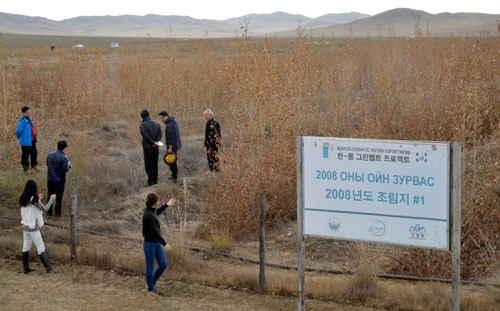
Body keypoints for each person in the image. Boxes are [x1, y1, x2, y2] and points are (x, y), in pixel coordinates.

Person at [19, 180, 57, 274]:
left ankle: (26, 269)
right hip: (32, 228)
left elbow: (32, 206)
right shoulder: (34, 199)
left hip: (25, 226)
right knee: (40, 247)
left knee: (26, 246)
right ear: (34, 188)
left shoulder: (23, 197)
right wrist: (51, 200)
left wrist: (38, 199)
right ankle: (49, 269)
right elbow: (45, 209)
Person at [142, 193, 176, 297]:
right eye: (158, 200)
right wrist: (164, 244)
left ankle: (151, 283)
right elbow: (154, 232)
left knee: (163, 264)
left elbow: (157, 212)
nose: (159, 201)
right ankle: (150, 291)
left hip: (156, 243)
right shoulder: (148, 214)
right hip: (149, 244)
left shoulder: (152, 211)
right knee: (150, 267)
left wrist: (167, 205)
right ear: (155, 202)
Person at [46, 140, 71, 217]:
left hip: (50, 179)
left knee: (50, 196)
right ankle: (57, 214)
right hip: (59, 180)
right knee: (59, 197)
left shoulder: (50, 155)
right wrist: (69, 165)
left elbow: (47, 164)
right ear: (64, 148)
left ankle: (48, 212)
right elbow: (65, 169)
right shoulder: (64, 158)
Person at [140, 110, 162, 187]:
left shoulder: (142, 125)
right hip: (156, 147)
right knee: (155, 163)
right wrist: (156, 142)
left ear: (142, 117)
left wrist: (152, 142)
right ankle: (155, 181)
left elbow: (145, 135)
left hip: (147, 147)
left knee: (148, 164)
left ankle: (151, 182)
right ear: (149, 115)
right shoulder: (156, 123)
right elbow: (160, 133)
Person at [159, 111, 182, 182]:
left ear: (166, 116)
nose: (161, 120)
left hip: (172, 146)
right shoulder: (173, 121)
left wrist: (170, 148)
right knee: (173, 161)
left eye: (161, 118)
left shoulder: (169, 125)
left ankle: (174, 176)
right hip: (176, 144)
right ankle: (174, 175)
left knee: (171, 160)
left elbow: (171, 137)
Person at [15, 106, 38, 171]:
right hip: (26, 142)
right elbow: (18, 131)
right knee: (25, 156)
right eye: (28, 112)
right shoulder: (22, 120)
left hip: (32, 140)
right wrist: (21, 138)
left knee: (34, 153)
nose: (29, 113)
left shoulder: (29, 119)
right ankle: (26, 169)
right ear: (23, 113)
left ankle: (34, 166)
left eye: (29, 112)